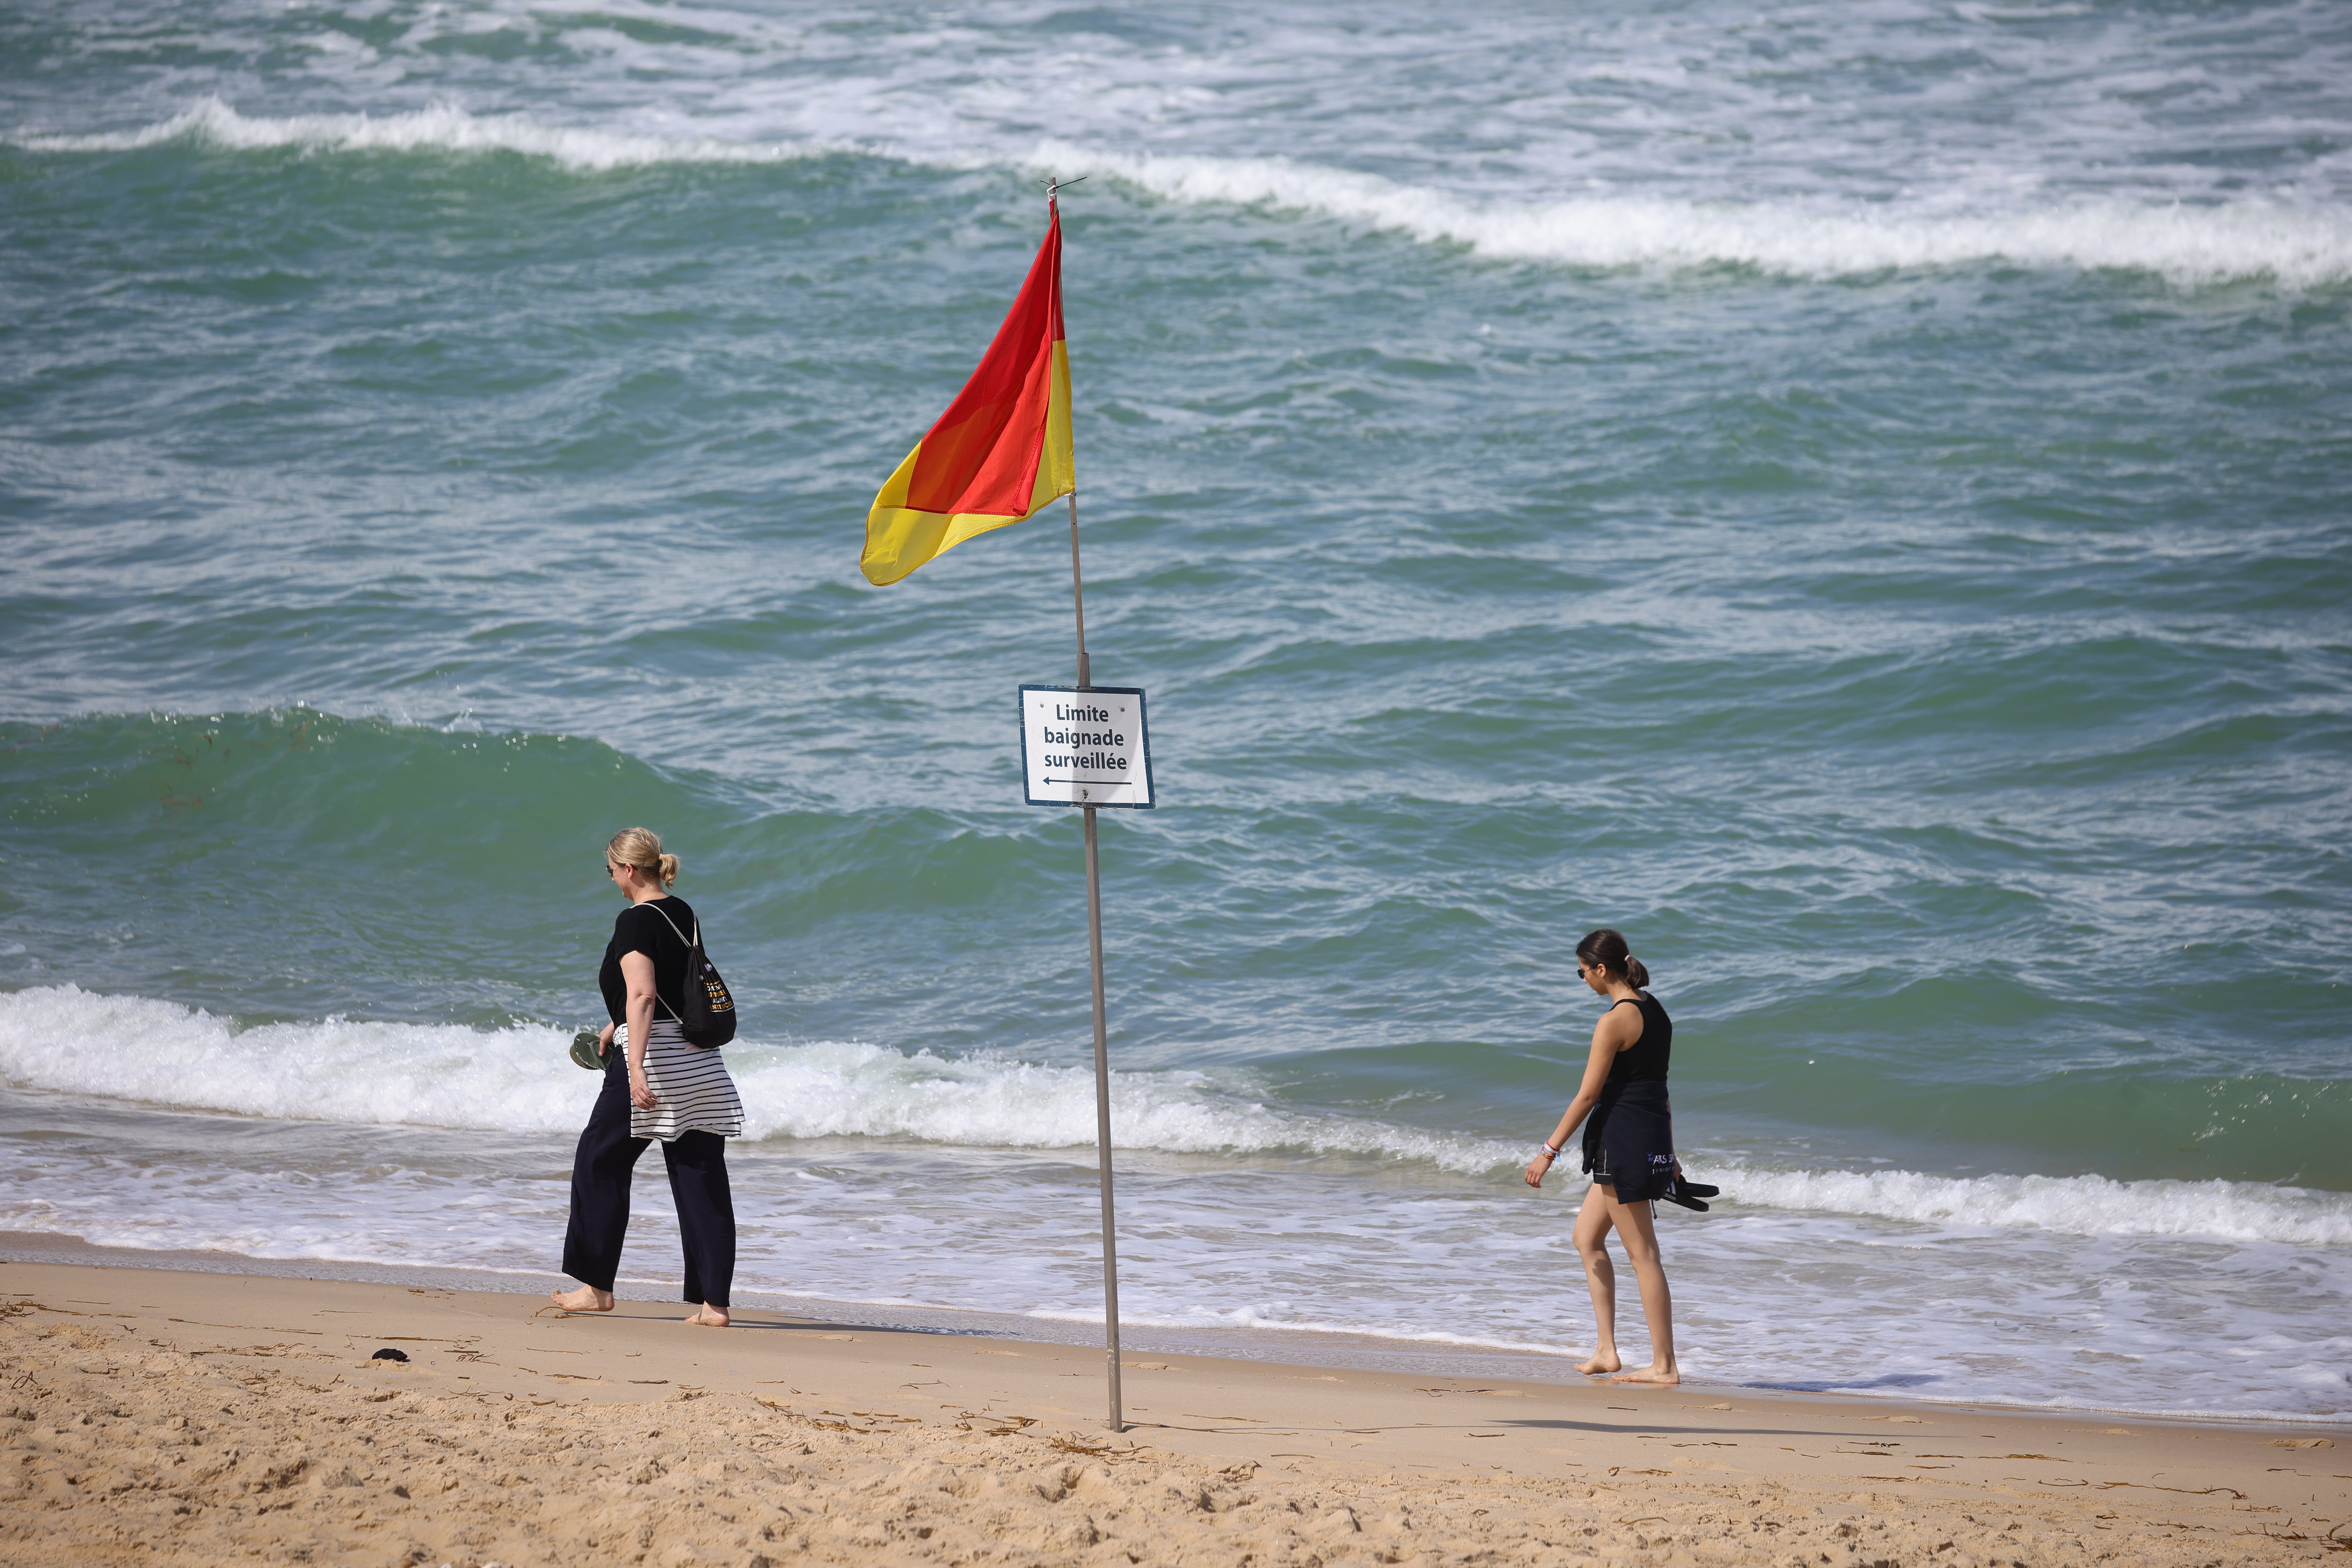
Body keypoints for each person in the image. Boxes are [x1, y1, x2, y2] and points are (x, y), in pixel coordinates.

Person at [551, 827, 746, 1327]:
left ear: (629, 870)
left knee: (599, 1160)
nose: (612, 879)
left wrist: (634, 1065)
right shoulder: (682, 912)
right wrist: (615, 1021)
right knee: (700, 1175)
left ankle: (596, 1288)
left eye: (612, 870)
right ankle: (714, 1305)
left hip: (654, 1062)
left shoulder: (634, 920)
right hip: (697, 1060)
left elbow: (642, 993)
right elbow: (670, 987)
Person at [1523, 928, 1680, 1385]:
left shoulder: (1614, 1019)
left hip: (1622, 1141)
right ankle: (1606, 1351)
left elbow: (1588, 1094)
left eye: (1581, 972)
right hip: (1645, 1136)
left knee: (1643, 1255)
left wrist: (1547, 1151)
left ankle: (1664, 1366)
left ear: (1600, 969)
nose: (1582, 980)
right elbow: (1660, 1091)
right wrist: (1668, 1151)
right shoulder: (1655, 1011)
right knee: (1586, 1238)